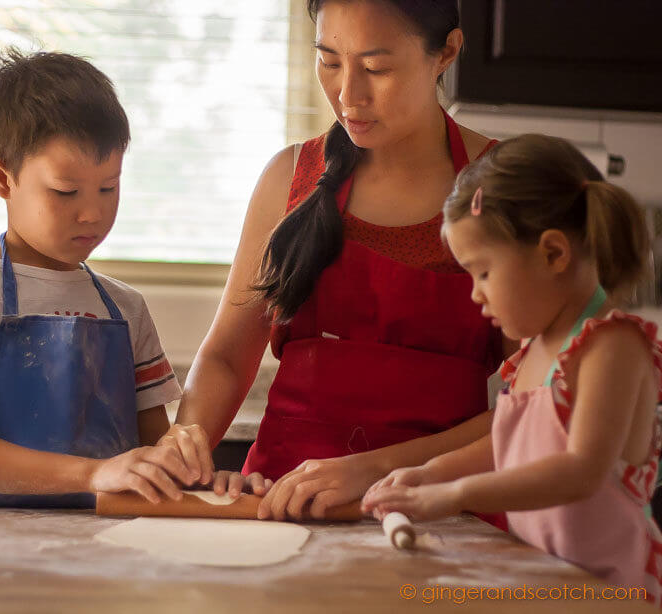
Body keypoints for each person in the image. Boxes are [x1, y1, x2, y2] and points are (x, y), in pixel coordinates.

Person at [170, 0, 514, 522]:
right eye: (329, 61)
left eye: (376, 68)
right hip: (280, 503)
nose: (348, 95)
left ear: (446, 52)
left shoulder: (503, 189)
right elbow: (225, 357)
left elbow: (529, 404)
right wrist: (185, 452)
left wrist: (372, 470)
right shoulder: (292, 177)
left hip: (437, 511)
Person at [0, 49, 211, 508]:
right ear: (1, 179)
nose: (94, 212)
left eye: (109, 186)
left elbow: (153, 454)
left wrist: (191, 469)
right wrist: (93, 473)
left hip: (105, 554)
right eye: (66, 191)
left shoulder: (127, 308)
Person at [362, 134, 662, 602]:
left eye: (483, 272)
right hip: (549, 582)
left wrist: (456, 495)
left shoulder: (612, 346)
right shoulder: (532, 352)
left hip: (611, 592)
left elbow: (580, 470)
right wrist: (431, 472)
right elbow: (509, 447)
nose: (476, 294)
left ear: (553, 254)